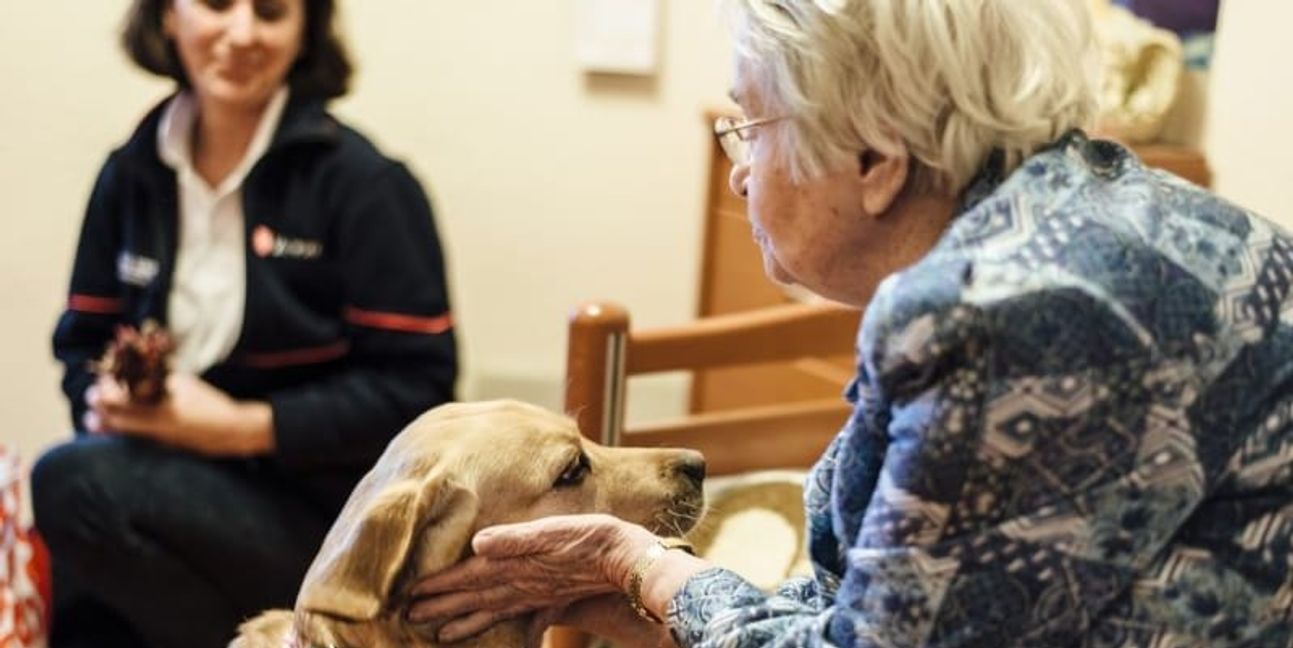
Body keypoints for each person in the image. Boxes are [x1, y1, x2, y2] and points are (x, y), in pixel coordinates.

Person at [406, 1, 1293, 646]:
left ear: (874, 156)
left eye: (751, 125)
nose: (738, 172)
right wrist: (661, 601)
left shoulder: (992, 313)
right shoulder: (1118, 210)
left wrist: (637, 563)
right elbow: (901, 607)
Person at [30, 1, 457, 646]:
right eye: (217, 4)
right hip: (166, 482)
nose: (242, 33)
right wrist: (105, 400)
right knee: (79, 563)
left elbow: (420, 392)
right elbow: (81, 344)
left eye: (271, 12)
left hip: (329, 517)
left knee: (71, 484)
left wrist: (241, 428)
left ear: (305, 31)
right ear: (168, 16)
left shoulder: (366, 184)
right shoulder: (130, 172)